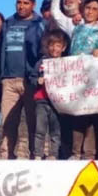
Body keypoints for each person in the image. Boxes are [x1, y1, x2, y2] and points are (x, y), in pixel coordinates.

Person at [0, 0, 43, 159]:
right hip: (9, 79)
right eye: (19, 2)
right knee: (8, 121)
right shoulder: (8, 23)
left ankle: (34, 155)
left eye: (26, 3)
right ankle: (6, 155)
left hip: (30, 80)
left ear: (33, 4)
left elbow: (42, 51)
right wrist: (2, 75)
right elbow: (2, 50)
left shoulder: (39, 23)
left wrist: (36, 74)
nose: (21, 6)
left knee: (33, 121)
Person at [70, 0, 98, 160]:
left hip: (93, 78)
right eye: (87, 8)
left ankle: (89, 153)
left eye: (94, 9)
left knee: (91, 115)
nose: (90, 12)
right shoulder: (76, 28)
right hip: (74, 77)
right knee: (76, 114)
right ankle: (75, 152)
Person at [31, 29, 67, 159]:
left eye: (58, 45)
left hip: (57, 103)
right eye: (51, 45)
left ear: (63, 48)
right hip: (41, 100)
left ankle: (53, 154)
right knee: (40, 130)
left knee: (55, 131)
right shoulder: (41, 63)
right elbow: (32, 77)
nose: (54, 48)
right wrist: (37, 81)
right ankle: (38, 155)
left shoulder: (66, 63)